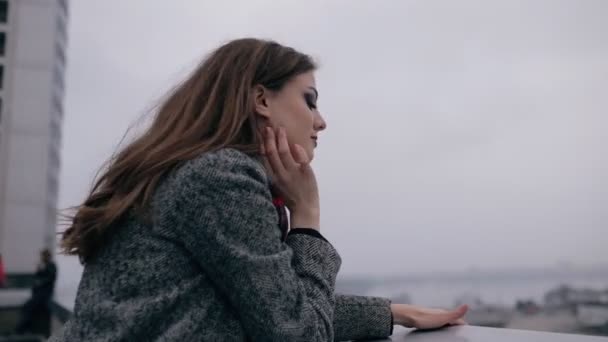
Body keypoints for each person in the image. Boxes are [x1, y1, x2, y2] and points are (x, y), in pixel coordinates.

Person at [50, 38, 468, 341]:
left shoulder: (195, 170)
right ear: (261, 100)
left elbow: (268, 308)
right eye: (310, 100)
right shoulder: (220, 177)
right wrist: (306, 218)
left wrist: (393, 312)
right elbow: (297, 332)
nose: (321, 121)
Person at [16, 249, 57, 334]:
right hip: (39, 293)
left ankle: (22, 329)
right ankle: (26, 328)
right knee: (27, 307)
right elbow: (37, 277)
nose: (41, 257)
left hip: (44, 294)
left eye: (43, 255)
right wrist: (39, 269)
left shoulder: (51, 265)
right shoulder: (44, 265)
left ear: (47, 256)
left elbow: (50, 278)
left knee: (28, 307)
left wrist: (40, 281)